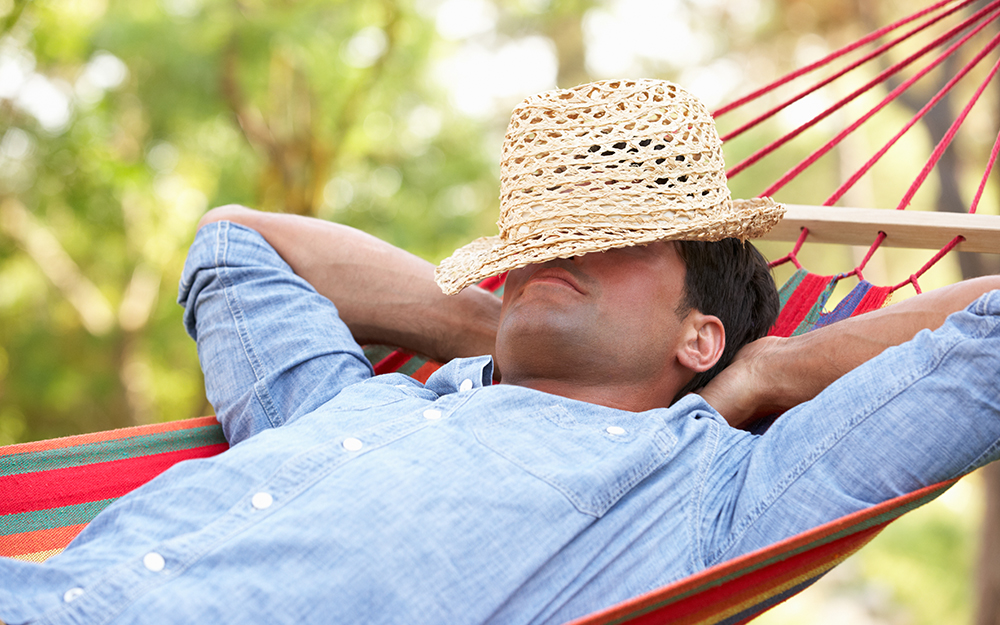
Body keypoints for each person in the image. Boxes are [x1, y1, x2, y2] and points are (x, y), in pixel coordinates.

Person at [1, 79, 998, 625]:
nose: (562, 249)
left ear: (700, 336)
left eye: (616, 237)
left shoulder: (713, 495)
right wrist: (496, 328)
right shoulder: (345, 406)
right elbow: (236, 241)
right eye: (546, 239)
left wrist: (772, 371)